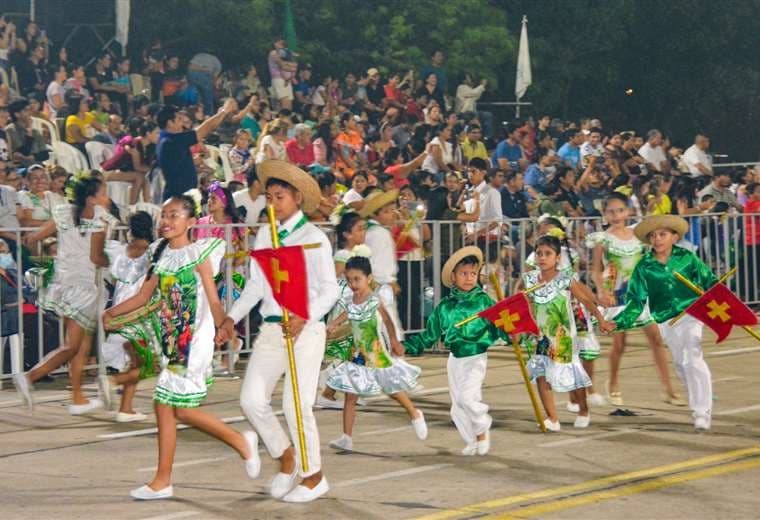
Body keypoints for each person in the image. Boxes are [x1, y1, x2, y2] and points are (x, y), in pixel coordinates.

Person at [102, 195, 258, 499]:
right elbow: (144, 297)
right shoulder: (159, 256)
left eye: (174, 215)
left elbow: (213, 299)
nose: (167, 221)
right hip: (171, 340)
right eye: (164, 215)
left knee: (165, 405)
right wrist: (112, 312)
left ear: (190, 222)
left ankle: (166, 479)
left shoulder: (199, 254)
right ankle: (236, 444)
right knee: (178, 411)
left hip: (192, 340)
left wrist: (223, 326)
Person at [216, 160, 338, 502]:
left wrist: (304, 316)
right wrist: (231, 318)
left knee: (295, 404)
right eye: (269, 197)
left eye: (280, 196)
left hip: (307, 330)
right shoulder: (265, 233)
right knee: (251, 400)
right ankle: (287, 457)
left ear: (297, 198)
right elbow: (256, 285)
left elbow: (330, 290)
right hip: (272, 329)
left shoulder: (314, 238)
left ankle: (314, 475)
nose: (273, 203)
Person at [14, 175, 117, 413]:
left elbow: (33, 237)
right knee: (72, 345)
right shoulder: (100, 220)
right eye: (103, 193)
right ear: (91, 199)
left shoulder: (64, 212)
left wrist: (56, 258)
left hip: (64, 283)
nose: (107, 197)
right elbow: (96, 258)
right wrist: (114, 260)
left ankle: (78, 398)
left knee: (82, 344)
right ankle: (29, 377)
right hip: (84, 288)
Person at [606, 214, 719, 430]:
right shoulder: (644, 267)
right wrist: (617, 322)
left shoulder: (687, 257)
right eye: (653, 236)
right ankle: (698, 394)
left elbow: (711, 282)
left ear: (675, 237)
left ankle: (701, 412)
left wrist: (732, 307)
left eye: (663, 234)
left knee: (692, 355)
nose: (658, 239)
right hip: (666, 321)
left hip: (691, 314)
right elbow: (635, 302)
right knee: (680, 364)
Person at [586, 193, 684, 406]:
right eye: (611, 211)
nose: (616, 215)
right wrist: (602, 292)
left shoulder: (638, 235)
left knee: (657, 339)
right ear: (604, 214)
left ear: (628, 211)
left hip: (641, 293)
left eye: (620, 210)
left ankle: (668, 389)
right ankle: (612, 384)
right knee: (620, 344)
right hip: (617, 296)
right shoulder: (602, 239)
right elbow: (596, 270)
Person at [405, 247, 503, 455]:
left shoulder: (484, 301)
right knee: (457, 405)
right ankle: (472, 440)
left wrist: (510, 333)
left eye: (473, 274)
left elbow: (501, 323)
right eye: (464, 274)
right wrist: (408, 346)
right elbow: (430, 334)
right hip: (455, 359)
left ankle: (482, 429)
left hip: (476, 357)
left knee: (468, 398)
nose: (469, 278)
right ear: (453, 277)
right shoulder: (444, 307)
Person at [325, 255, 427, 451]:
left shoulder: (374, 299)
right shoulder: (352, 299)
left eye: (357, 279)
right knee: (350, 395)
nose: (353, 284)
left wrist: (395, 341)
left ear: (369, 278)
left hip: (375, 352)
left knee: (392, 388)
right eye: (349, 279)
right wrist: (334, 324)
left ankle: (414, 413)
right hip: (356, 355)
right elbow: (348, 313)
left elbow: (388, 321)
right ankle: (346, 437)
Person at [517, 235, 613, 431]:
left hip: (563, 336)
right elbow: (521, 302)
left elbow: (586, 300)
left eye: (548, 254)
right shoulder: (529, 279)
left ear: (557, 257)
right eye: (539, 253)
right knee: (542, 374)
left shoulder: (565, 279)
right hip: (540, 335)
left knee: (571, 376)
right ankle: (552, 418)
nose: (542, 258)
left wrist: (601, 320)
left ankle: (583, 410)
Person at [90, 211, 158, 422]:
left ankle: (126, 408)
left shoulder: (120, 251)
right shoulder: (154, 253)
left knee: (137, 363)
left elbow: (101, 262)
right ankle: (113, 382)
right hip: (139, 314)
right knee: (151, 365)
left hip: (119, 312)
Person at [156, 99, 235, 200]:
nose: (183, 123)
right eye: (179, 119)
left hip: (187, 193)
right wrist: (225, 111)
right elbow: (205, 129)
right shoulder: (171, 141)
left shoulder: (167, 139)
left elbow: (177, 164)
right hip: (179, 197)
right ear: (170, 123)